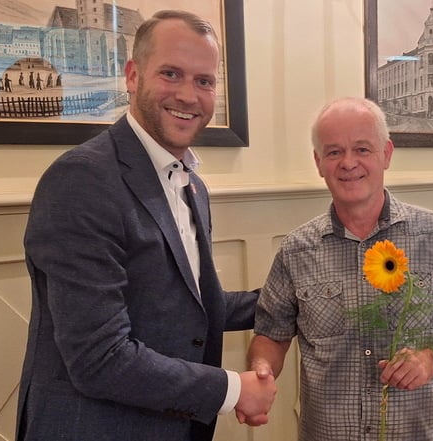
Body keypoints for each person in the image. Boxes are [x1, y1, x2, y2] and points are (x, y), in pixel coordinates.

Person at [15, 10, 276, 441]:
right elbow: (99, 358)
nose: (190, 95)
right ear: (133, 76)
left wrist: (295, 299)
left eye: (205, 81)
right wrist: (233, 391)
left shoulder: (191, 184)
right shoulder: (81, 179)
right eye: (171, 74)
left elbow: (184, 307)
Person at [247, 97, 433, 441]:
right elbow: (270, 336)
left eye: (362, 149)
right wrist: (260, 371)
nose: (348, 163)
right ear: (318, 162)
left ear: (386, 154)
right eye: (334, 152)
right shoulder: (296, 250)